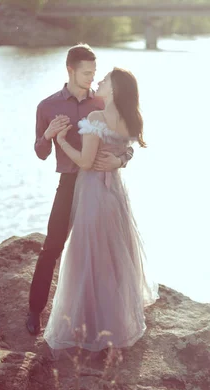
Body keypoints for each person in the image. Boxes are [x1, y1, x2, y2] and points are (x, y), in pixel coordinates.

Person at [43, 67, 159, 353]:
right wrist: (120, 160)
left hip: (95, 193)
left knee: (89, 255)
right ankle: (116, 320)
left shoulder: (96, 118)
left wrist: (61, 142)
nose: (100, 81)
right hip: (116, 194)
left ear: (115, 89)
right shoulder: (131, 120)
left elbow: (85, 162)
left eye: (105, 79)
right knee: (114, 254)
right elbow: (129, 149)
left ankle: (89, 324)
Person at [26, 44, 133, 335]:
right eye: (86, 73)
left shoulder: (101, 103)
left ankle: (110, 315)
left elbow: (126, 141)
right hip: (70, 183)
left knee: (104, 250)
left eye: (94, 73)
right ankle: (35, 310)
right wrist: (47, 136)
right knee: (53, 245)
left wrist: (120, 159)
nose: (91, 78)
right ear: (70, 70)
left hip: (99, 184)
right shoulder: (47, 106)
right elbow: (40, 153)